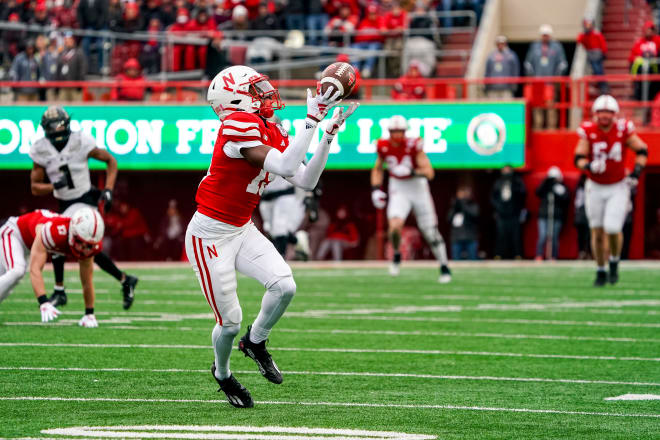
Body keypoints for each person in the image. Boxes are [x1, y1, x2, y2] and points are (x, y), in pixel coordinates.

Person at [185, 65, 358, 408]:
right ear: (235, 98)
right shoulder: (235, 124)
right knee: (230, 321)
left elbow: (305, 179)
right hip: (209, 235)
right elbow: (284, 167)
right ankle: (222, 373)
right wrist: (311, 122)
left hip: (241, 227)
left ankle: (256, 341)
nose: (265, 93)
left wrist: (327, 135)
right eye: (256, 88)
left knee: (284, 285)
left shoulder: (268, 126)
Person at [29, 106, 139, 309]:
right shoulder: (41, 148)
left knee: (62, 235)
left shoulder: (80, 140)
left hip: (85, 199)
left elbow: (110, 161)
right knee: (87, 249)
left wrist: (108, 189)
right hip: (65, 201)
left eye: (60, 126)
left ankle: (60, 290)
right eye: (52, 127)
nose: (57, 131)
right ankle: (125, 280)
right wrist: (54, 186)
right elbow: (35, 188)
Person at [574, 94, 648, 286]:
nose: (604, 116)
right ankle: (600, 270)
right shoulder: (588, 131)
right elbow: (578, 159)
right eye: (601, 112)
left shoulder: (623, 130)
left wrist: (636, 173)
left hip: (617, 185)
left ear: (615, 115)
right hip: (595, 186)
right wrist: (589, 166)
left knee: (613, 228)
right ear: (595, 114)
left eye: (608, 112)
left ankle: (614, 261)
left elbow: (642, 150)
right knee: (597, 232)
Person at [371, 115, 451, 282]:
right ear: (389, 132)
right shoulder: (382, 146)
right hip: (398, 187)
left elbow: (429, 172)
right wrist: (375, 189)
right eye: (394, 131)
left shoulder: (414, 145)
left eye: (400, 131)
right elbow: (378, 169)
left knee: (430, 232)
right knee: (394, 226)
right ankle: (396, 254)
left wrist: (412, 172)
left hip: (417, 186)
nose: (398, 135)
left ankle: (444, 266)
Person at [0, 208, 104, 327]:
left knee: (7, 286)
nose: (83, 249)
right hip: (14, 234)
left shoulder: (88, 247)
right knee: (17, 271)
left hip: (29, 246)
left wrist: (89, 314)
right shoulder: (53, 231)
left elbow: (87, 281)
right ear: (73, 231)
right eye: (79, 241)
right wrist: (43, 301)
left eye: (89, 246)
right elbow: (35, 268)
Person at [524, 25, 568, 129]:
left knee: (551, 107)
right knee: (537, 107)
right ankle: (538, 128)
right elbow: (527, 63)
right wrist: (531, 77)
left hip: (550, 84)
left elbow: (563, 63)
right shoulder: (534, 46)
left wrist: (557, 78)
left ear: (550, 35)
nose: (545, 37)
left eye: (547, 35)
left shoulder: (557, 47)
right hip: (537, 82)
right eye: (543, 35)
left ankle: (551, 128)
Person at [259, 175, 309, 259]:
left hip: (284, 194)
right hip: (265, 195)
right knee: (270, 230)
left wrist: (309, 194)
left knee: (279, 228)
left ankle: (281, 259)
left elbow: (306, 172)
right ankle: (297, 240)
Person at [491, 165, 526, 259]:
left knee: (516, 235)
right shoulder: (498, 182)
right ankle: (499, 254)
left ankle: (517, 254)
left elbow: (522, 194)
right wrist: (498, 207)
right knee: (501, 235)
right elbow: (493, 197)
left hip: (514, 213)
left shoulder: (517, 181)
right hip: (501, 213)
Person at [534, 166, 569, 260]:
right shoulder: (545, 186)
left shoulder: (562, 187)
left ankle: (553, 256)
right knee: (543, 235)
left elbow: (566, 198)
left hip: (556, 215)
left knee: (554, 237)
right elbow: (538, 192)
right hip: (544, 215)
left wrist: (556, 189)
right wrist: (547, 182)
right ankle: (539, 255)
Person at [447, 186, 480, 260]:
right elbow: (448, 219)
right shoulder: (454, 207)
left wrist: (463, 205)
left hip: (470, 237)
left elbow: (475, 215)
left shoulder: (473, 205)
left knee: (472, 260)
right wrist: (455, 206)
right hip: (456, 238)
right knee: (456, 261)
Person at [577, 18, 608, 93]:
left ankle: (603, 86)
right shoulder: (584, 35)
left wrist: (604, 52)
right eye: (587, 25)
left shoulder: (596, 34)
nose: (588, 26)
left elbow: (602, 43)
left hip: (598, 54)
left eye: (589, 25)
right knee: (596, 70)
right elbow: (579, 40)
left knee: (599, 70)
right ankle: (601, 85)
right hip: (591, 55)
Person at [56, 32, 87, 102]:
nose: (68, 42)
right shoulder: (62, 53)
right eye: (66, 40)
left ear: (73, 41)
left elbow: (83, 69)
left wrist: (80, 84)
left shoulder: (79, 53)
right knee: (62, 108)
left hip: (75, 86)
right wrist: (57, 85)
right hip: (63, 87)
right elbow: (58, 69)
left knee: (76, 109)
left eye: (70, 40)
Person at [574, 174, 591, 259]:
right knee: (581, 235)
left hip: (589, 213)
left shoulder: (593, 189)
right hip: (581, 214)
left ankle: (588, 252)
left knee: (589, 235)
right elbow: (577, 203)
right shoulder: (579, 189)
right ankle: (582, 252)